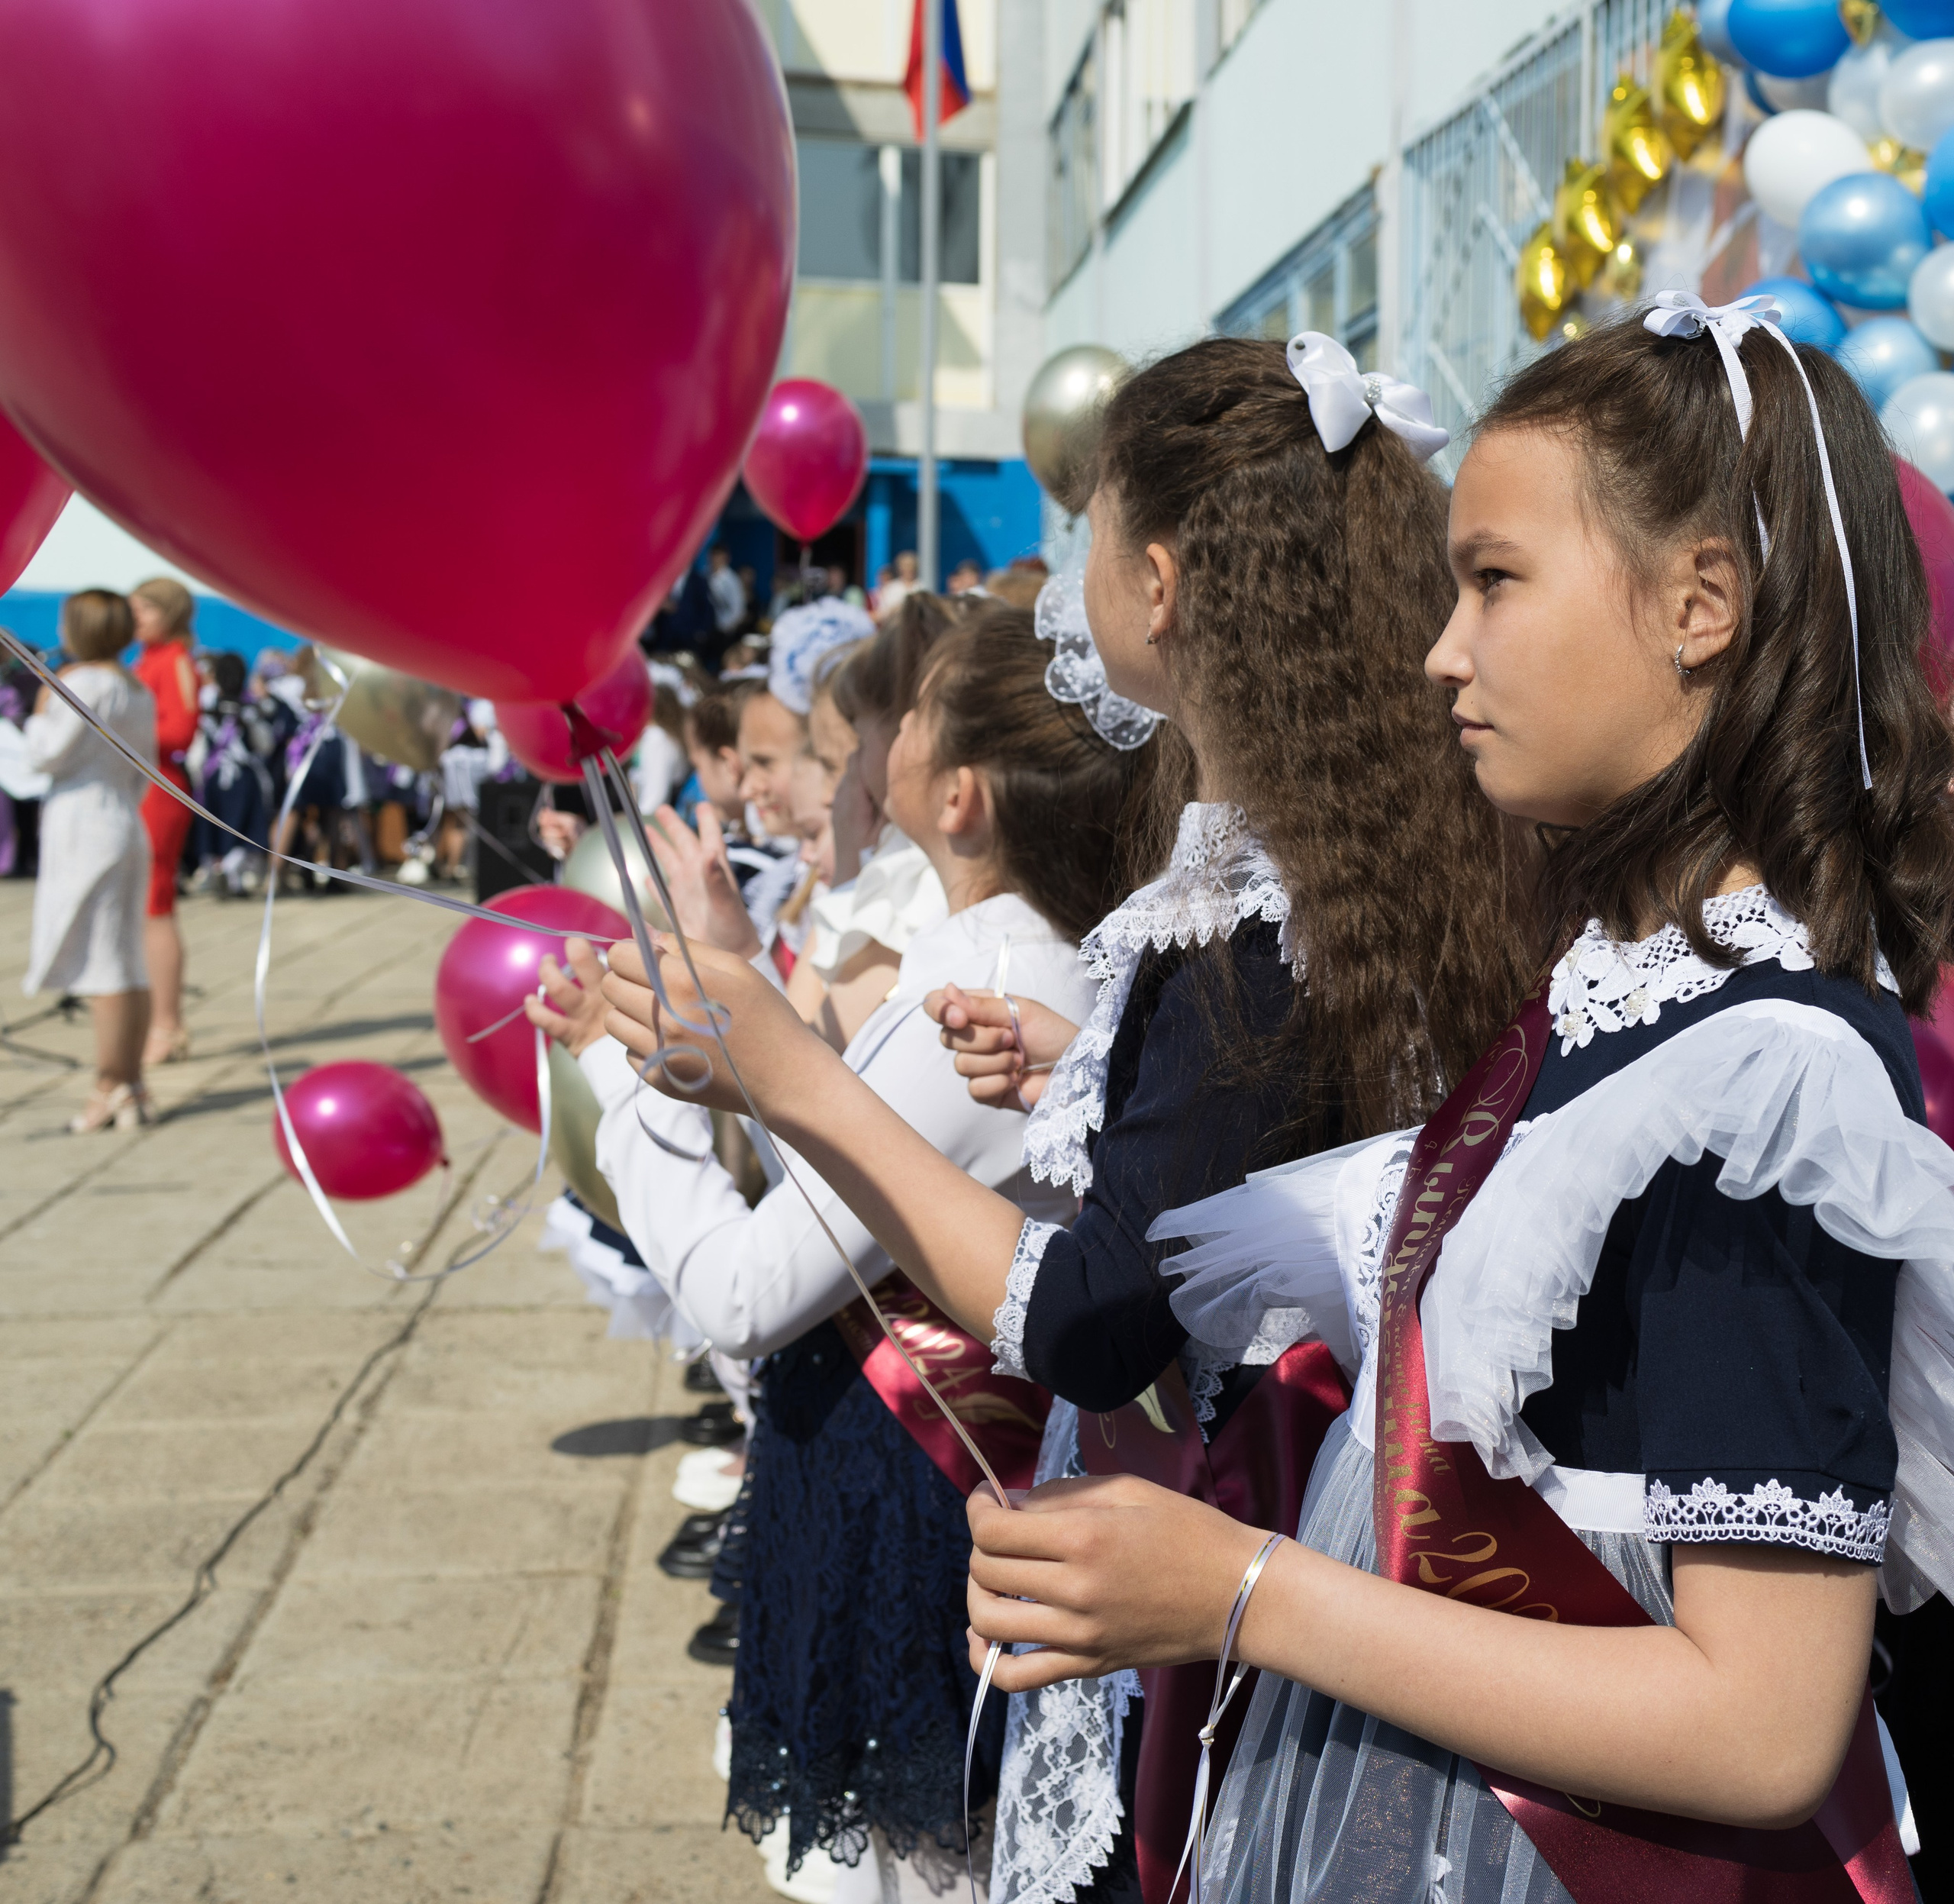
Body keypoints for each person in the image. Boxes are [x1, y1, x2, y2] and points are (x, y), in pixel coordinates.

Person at [948, 301, 1954, 1897]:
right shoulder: (1617, 986)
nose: (1439, 646)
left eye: (1493, 581)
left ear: (1699, 602)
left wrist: (1237, 1588)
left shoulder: (1769, 1085)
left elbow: (1761, 1718)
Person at [597, 333, 1530, 1897]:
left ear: (1159, 582)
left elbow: (1093, 1313)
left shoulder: (1236, 912)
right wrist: (1082, 1060)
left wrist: (793, 1072)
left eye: (1086, 535)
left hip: (1234, 1531)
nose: (1060, 580)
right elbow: (1270, 1141)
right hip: (1332, 1517)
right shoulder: (1351, 856)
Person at [530, 603, 1174, 1897]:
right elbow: (833, 1185)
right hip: (912, 1463)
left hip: (920, 1486)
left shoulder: (976, 988)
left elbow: (745, 1287)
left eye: (906, 711)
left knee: (920, 1869)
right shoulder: (998, 954)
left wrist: (621, 1080)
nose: (874, 742)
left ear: (959, 792)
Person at [23, 591, 158, 1131]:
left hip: (85, 822)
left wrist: (37, 716)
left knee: (103, 963)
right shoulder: (133, 687)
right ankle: (131, 1081)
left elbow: (47, 754)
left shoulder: (80, 684)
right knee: (124, 957)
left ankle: (109, 1083)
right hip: (123, 815)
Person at [128, 576, 200, 1065]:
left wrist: (119, 724)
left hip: (160, 787)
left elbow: (181, 730)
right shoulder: (149, 659)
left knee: (156, 903)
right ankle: (159, 1021)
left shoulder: (174, 659)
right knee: (144, 905)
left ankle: (167, 1024)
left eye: (145, 610)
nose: (135, 620)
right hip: (142, 785)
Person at [707, 544, 746, 640]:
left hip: (724, 630)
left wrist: (726, 627)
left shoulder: (732, 580)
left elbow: (738, 609)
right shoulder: (705, 575)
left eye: (720, 556)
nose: (717, 559)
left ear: (727, 558)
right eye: (714, 556)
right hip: (706, 628)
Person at [876, 548, 921, 621]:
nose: (909, 569)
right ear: (900, 568)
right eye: (906, 566)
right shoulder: (891, 588)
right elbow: (883, 612)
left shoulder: (921, 587)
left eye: (911, 566)